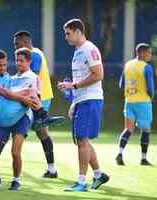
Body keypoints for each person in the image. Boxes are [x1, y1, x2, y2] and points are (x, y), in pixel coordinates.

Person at [0, 31, 62, 178]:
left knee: (39, 131)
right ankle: (51, 169)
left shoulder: (33, 54)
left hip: (38, 97)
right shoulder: (37, 52)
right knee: (29, 128)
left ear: (25, 42)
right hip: (37, 95)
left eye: (17, 44)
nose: (15, 47)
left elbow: (30, 76)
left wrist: (16, 90)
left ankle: (52, 168)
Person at [58, 18, 109, 191]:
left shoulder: (89, 48)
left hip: (90, 100)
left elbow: (99, 74)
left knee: (82, 140)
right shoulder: (78, 51)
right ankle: (99, 175)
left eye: (68, 33)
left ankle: (81, 182)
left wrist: (74, 86)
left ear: (78, 32)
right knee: (81, 141)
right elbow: (80, 79)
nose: (65, 37)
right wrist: (73, 100)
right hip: (81, 100)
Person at [0, 48, 36, 190]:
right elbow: (4, 93)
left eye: (5, 65)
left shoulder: (17, 77)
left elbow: (27, 94)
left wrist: (28, 99)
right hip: (3, 118)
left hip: (20, 117)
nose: (3, 68)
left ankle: (16, 180)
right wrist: (23, 97)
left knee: (15, 152)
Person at [115, 43, 154, 166]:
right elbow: (150, 87)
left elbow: (121, 84)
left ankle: (119, 153)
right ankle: (143, 158)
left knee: (128, 129)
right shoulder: (146, 67)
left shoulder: (128, 65)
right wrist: (151, 96)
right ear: (142, 53)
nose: (150, 55)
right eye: (149, 53)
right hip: (143, 102)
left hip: (129, 102)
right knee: (146, 129)